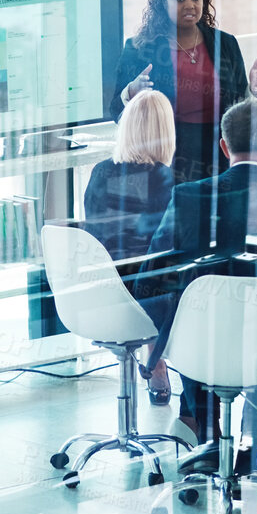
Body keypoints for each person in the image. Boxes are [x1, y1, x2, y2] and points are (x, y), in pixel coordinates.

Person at [148, 101, 257, 452]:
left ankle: (205, 434)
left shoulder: (188, 197)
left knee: (197, 320)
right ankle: (251, 449)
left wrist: (160, 336)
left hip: (201, 347)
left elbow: (152, 276)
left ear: (224, 146)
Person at [111, 0, 257, 184]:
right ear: (163, 3)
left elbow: (238, 112)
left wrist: (253, 91)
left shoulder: (225, 43)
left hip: (218, 156)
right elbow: (115, 110)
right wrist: (132, 92)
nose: (190, 5)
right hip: (166, 160)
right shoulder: (139, 49)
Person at [82, 90, 177, 403]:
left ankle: (155, 359)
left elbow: (96, 236)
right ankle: (166, 364)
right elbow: (167, 249)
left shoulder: (99, 173)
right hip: (145, 298)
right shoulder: (165, 180)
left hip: (98, 294)